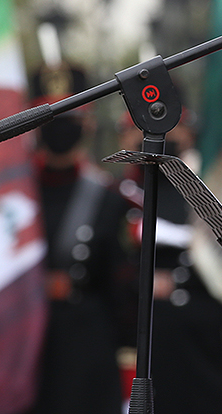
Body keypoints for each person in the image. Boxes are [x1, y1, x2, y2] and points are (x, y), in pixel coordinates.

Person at [115, 102, 222, 414]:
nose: (160, 138)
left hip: (200, 353)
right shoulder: (116, 198)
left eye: (171, 129)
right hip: (135, 347)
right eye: (143, 130)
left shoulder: (211, 199)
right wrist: (140, 282)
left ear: (189, 134)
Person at [29, 59, 136, 414]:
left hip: (85, 348)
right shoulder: (13, 197)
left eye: (69, 119)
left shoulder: (106, 199)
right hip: (25, 344)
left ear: (87, 124)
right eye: (49, 121)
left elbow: (118, 285)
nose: (60, 130)